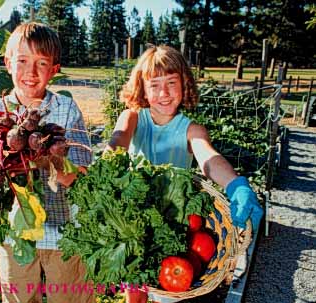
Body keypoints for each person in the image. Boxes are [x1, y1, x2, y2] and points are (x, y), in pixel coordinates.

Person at [0, 22, 94, 303]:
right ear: (7, 63)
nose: (31, 72)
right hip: (15, 236)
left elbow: (79, 175)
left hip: (63, 232)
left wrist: (44, 157)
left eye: (42, 63)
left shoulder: (65, 109)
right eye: (23, 61)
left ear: (54, 69)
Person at [107, 44, 263, 303]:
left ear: (185, 85)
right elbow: (119, 138)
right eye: (154, 84)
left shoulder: (192, 130)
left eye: (171, 82)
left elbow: (208, 158)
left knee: (168, 291)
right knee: (135, 292)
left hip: (175, 224)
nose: (164, 93)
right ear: (142, 88)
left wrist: (236, 185)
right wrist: (109, 158)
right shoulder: (133, 118)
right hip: (134, 219)